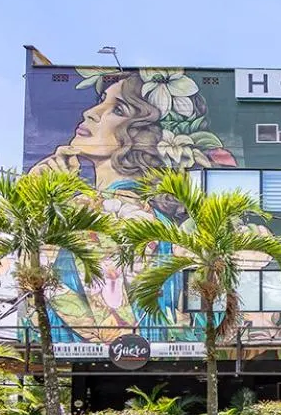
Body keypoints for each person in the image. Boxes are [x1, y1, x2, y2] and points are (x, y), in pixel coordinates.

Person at [28, 69, 237, 343]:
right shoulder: (149, 219)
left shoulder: (107, 214)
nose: (91, 112)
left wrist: (45, 201)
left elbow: (106, 322)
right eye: (101, 100)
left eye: (118, 108)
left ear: (144, 134)